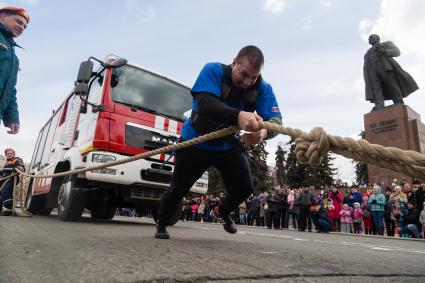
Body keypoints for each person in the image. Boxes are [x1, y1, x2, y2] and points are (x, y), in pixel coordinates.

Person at [155, 46, 282, 239]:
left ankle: (222, 211)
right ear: (234, 63)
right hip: (196, 139)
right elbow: (205, 103)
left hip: (227, 144)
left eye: (254, 77)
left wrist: (263, 133)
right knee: (178, 187)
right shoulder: (213, 70)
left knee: (245, 188)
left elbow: (276, 121)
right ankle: (162, 223)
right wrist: (238, 116)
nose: (248, 82)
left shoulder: (263, 88)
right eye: (244, 74)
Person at [363, 34, 419, 112]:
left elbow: (397, 52)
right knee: (376, 88)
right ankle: (379, 105)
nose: (369, 39)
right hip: (373, 71)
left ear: (377, 38)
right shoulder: (368, 52)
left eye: (371, 37)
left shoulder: (386, 44)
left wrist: (385, 51)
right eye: (369, 38)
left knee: (392, 84)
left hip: (385, 67)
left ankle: (398, 101)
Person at [0, 7, 30, 134]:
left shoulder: (14, 58)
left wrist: (12, 116)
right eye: (18, 22)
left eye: (24, 26)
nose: (22, 28)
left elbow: (10, 89)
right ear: (2, 17)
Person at [0, 148, 24, 215]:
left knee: (6, 190)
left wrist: (17, 168)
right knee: (1, 192)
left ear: (14, 154)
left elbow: (21, 167)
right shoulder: (7, 162)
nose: (9, 154)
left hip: (12, 178)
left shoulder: (17, 159)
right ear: (6, 155)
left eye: (11, 153)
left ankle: (10, 208)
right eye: (8, 153)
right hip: (5, 179)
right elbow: (4, 171)